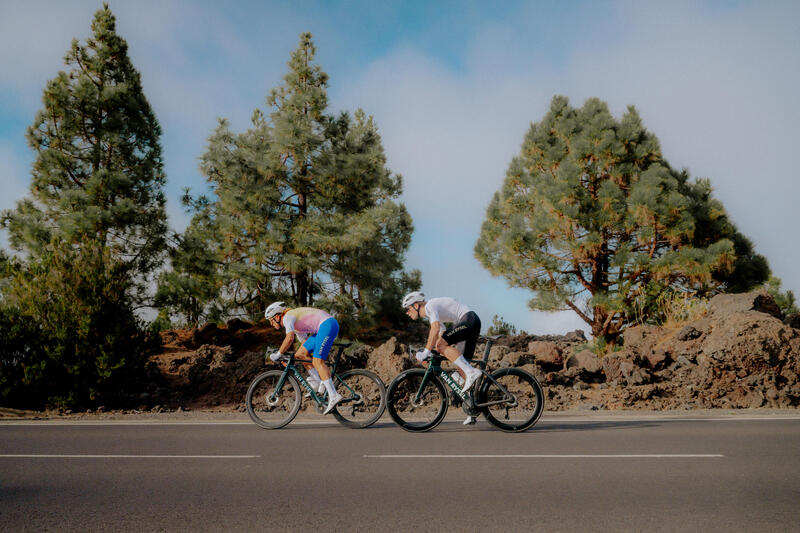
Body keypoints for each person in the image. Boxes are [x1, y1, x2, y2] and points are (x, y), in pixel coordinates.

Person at [401, 291, 482, 425]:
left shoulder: (430, 306)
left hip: (468, 319)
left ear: (416, 305)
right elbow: (441, 333)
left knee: (442, 348)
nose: (407, 313)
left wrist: (426, 351)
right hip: (469, 321)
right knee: (462, 368)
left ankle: (471, 371)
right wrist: (432, 353)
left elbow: (435, 329)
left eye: (408, 309)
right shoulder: (432, 314)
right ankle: (471, 408)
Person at [264, 302, 343, 415]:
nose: (271, 324)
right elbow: (304, 345)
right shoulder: (296, 326)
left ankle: (333, 395)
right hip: (323, 327)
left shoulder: (288, 317)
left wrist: (278, 354)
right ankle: (317, 381)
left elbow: (289, 338)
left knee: (317, 361)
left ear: (277, 316)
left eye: (270, 320)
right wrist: (287, 358)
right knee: (300, 354)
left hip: (327, 325)